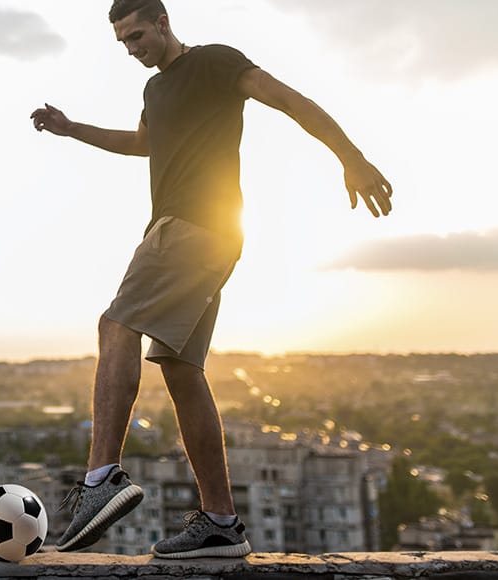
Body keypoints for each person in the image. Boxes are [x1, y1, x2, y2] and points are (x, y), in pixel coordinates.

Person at [30, 0, 393, 559]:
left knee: (115, 324)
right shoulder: (155, 92)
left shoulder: (216, 63)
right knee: (180, 367)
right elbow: (141, 143)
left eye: (137, 35)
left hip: (192, 226)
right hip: (212, 236)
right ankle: (222, 523)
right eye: (123, 42)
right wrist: (71, 128)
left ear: (163, 23)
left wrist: (352, 156)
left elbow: (292, 102)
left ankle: (102, 479)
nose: (132, 48)